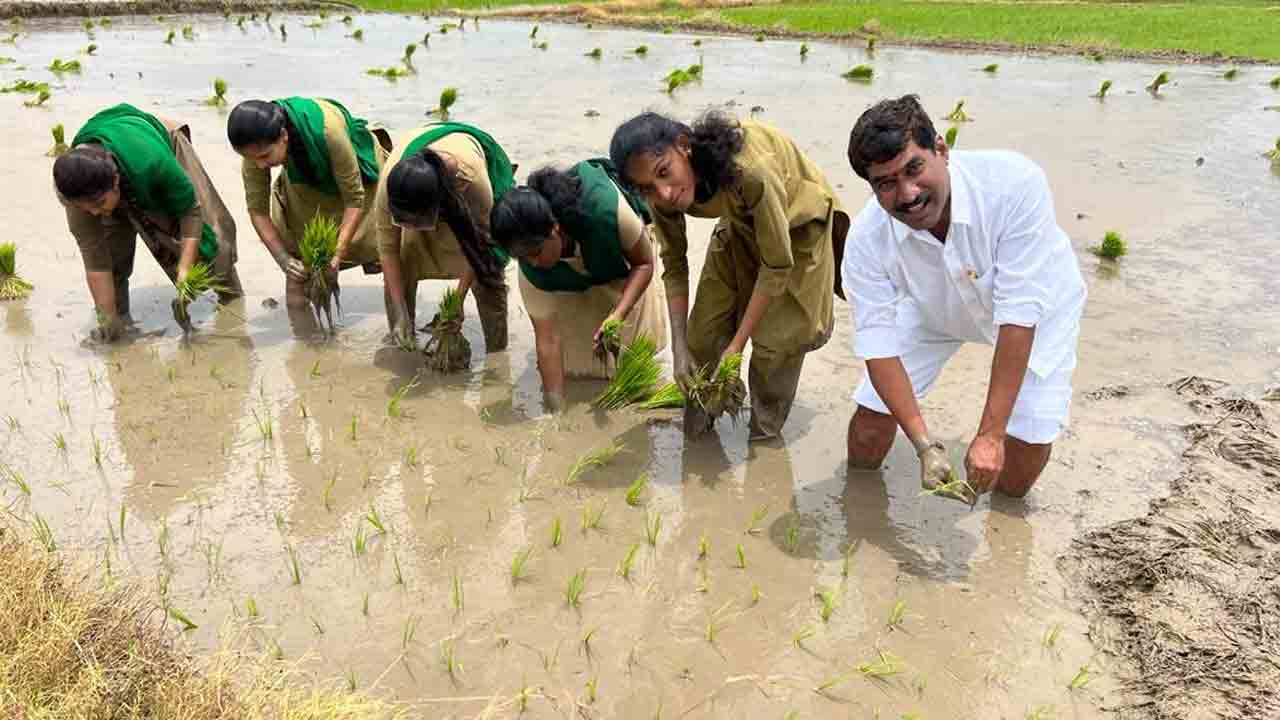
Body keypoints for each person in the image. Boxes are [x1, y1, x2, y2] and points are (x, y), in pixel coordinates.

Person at [842, 94, 1087, 502]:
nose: (908, 194)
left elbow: (1018, 315)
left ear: (941, 149)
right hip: (932, 308)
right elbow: (878, 344)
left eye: (914, 169)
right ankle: (859, 505)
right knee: (869, 424)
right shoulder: (867, 240)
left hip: (1038, 311)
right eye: (886, 183)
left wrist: (991, 436)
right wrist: (924, 445)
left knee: (1018, 467)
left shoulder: (1013, 185)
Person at [609, 111, 848, 441]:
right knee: (702, 337)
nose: (664, 193)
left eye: (664, 172)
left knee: (776, 346)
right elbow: (674, 264)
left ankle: (763, 437)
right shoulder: (661, 196)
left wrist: (736, 346)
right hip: (739, 222)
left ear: (684, 145)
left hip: (798, 229)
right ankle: (698, 435)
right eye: (647, 188)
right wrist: (679, 348)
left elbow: (777, 265)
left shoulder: (750, 170)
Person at [490, 159, 668, 411]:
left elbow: (643, 264)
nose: (533, 263)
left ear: (554, 227)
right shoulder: (531, 268)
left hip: (622, 259)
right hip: (575, 271)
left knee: (630, 356)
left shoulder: (606, 212)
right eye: (523, 258)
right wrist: (556, 409)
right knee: (577, 369)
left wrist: (617, 315)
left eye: (536, 252)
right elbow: (548, 341)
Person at [53, 103, 240, 340]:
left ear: (116, 181)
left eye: (99, 204)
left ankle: (233, 298)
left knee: (210, 239)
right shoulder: (74, 188)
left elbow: (191, 213)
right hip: (107, 169)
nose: (93, 213)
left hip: (156, 142)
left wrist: (184, 271)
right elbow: (95, 260)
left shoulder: (152, 162)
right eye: (84, 208)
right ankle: (119, 322)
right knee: (112, 252)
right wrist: (107, 321)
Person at [227, 98, 391, 317]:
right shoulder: (255, 148)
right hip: (303, 182)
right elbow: (257, 211)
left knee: (381, 244)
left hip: (357, 181)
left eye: (265, 156)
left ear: (284, 136)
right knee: (300, 262)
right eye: (251, 159)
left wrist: (337, 254)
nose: (260, 165)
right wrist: (284, 260)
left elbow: (354, 199)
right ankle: (303, 331)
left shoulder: (328, 132)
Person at [374, 122, 512, 351]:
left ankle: (497, 352)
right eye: (404, 222)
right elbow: (388, 251)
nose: (412, 228)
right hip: (420, 175)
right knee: (402, 266)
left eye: (417, 223)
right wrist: (399, 312)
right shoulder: (390, 188)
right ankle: (403, 342)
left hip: (459, 189)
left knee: (488, 275)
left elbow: (481, 249)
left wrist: (457, 302)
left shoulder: (471, 181)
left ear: (438, 208)